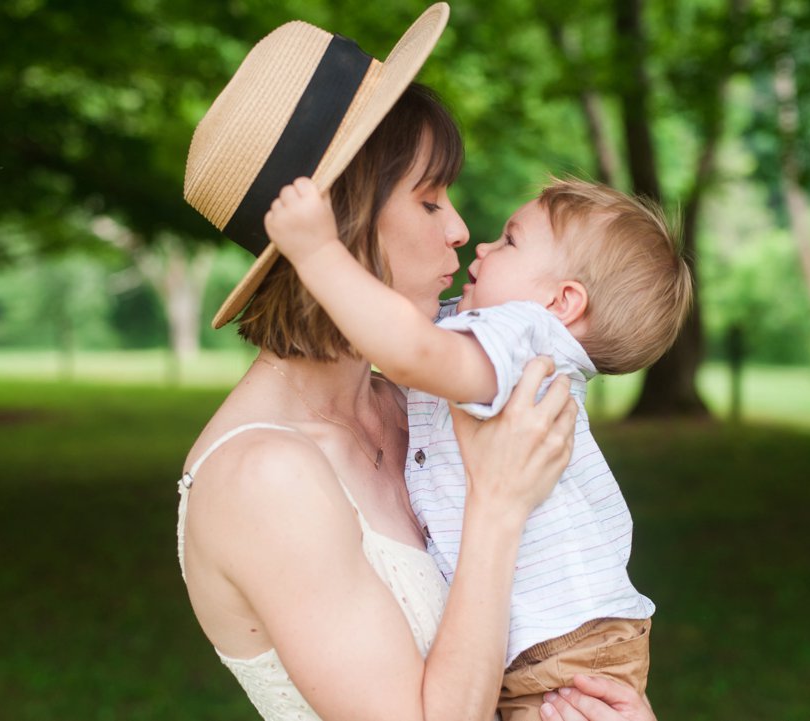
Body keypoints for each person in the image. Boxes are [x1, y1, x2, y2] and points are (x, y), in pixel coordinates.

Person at [177, 5, 654, 721]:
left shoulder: (419, 407)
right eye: (430, 201)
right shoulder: (264, 478)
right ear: (340, 223)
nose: (462, 230)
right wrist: (497, 508)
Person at [263, 171, 692, 719]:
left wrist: (318, 251)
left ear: (561, 302)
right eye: (428, 202)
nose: (480, 243)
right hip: (566, 641)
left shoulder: (521, 338)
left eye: (510, 240)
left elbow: (410, 352)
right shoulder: (495, 334)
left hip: (562, 650)